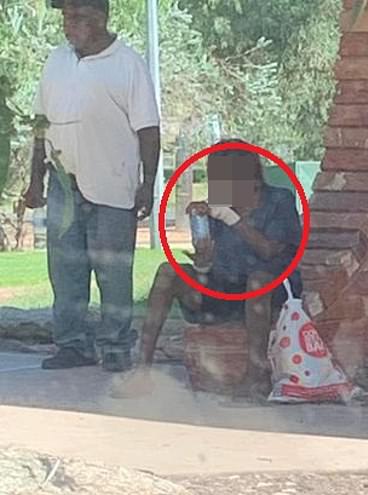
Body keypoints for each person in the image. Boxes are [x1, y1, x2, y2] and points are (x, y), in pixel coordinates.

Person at [23, 0, 161, 372]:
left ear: (100, 18)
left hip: (112, 186)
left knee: (113, 271)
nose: (69, 25)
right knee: (65, 269)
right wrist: (35, 177)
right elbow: (40, 124)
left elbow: (148, 131)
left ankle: (115, 347)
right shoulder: (57, 61)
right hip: (63, 185)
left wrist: (147, 185)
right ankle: (73, 345)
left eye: (77, 17)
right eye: (66, 18)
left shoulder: (127, 64)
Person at [110, 140, 303, 399]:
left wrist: (228, 217)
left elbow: (269, 251)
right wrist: (203, 258)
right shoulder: (220, 203)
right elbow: (211, 267)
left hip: (269, 291)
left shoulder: (278, 199)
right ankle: (142, 371)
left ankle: (257, 376)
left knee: (258, 280)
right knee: (170, 272)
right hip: (225, 289)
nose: (217, 186)